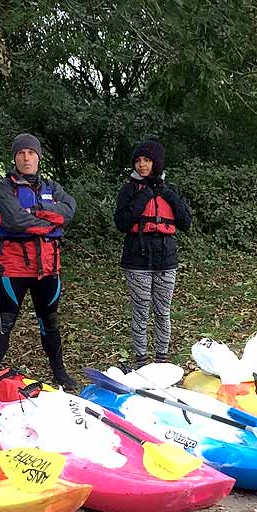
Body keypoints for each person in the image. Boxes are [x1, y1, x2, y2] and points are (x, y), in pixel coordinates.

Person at [0, 133, 79, 390]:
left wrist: (34, 214)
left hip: (48, 268)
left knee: (50, 323)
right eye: (21, 153)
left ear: (38, 157)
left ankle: (60, 372)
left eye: (31, 153)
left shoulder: (52, 187)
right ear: (15, 158)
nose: (27, 158)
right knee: (5, 322)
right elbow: (13, 220)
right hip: (13, 267)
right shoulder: (4, 188)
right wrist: (49, 223)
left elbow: (69, 210)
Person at [113, 138, 192, 366]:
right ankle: (140, 360)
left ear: (156, 163)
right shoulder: (129, 190)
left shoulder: (170, 190)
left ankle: (161, 360)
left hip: (166, 258)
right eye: (138, 161)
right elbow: (122, 223)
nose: (142, 165)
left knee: (162, 311)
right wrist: (146, 195)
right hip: (137, 258)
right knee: (140, 310)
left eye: (147, 160)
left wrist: (168, 196)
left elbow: (186, 222)